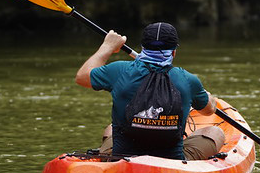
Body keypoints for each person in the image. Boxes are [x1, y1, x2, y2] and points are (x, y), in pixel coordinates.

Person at [75, 22, 225, 160]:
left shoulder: (119, 71)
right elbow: (208, 110)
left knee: (110, 129)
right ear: (173, 52)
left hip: (122, 160)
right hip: (172, 163)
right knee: (215, 132)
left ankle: (108, 159)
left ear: (143, 48)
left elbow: (82, 77)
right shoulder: (188, 80)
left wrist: (107, 46)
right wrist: (207, 96)